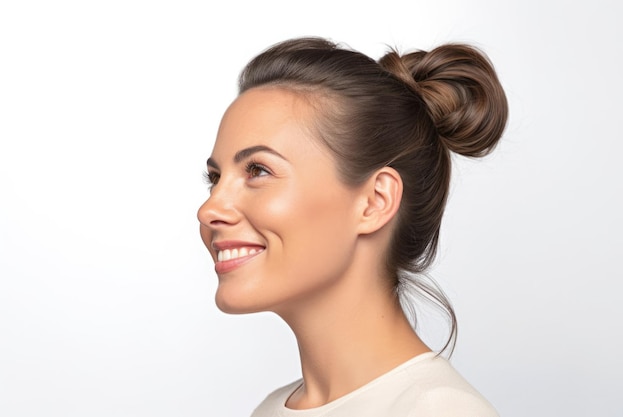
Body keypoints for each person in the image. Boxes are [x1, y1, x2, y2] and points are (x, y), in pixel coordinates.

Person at [197, 37, 507, 417]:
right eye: (214, 177)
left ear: (375, 201)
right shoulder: (271, 409)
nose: (209, 208)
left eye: (258, 170)